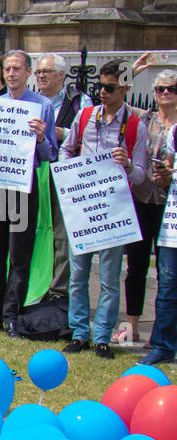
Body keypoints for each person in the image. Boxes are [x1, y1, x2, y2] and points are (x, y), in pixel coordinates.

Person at [0, 50, 58, 337]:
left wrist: (41, 137)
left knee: (19, 255)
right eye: (8, 69)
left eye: (17, 69)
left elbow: (51, 152)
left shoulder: (42, 106)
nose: (11, 74)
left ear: (28, 73)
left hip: (23, 187)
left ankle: (12, 315)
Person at [58, 60, 148, 359]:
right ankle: (79, 333)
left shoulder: (136, 126)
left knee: (110, 279)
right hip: (83, 208)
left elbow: (141, 176)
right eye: (100, 87)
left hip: (114, 212)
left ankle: (102, 338)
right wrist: (68, 172)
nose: (103, 93)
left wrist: (128, 164)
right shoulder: (85, 117)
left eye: (110, 88)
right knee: (78, 274)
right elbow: (66, 149)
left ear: (124, 89)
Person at [36, 53, 87, 299]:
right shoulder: (31, 100)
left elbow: (89, 135)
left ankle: (57, 289)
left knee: (60, 234)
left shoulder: (78, 101)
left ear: (61, 75)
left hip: (63, 175)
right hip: (34, 173)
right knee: (32, 230)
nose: (41, 76)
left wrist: (63, 133)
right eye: (38, 72)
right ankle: (36, 282)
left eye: (46, 71)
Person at [136, 70, 177, 363]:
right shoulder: (147, 118)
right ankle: (159, 342)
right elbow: (116, 99)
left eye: (172, 89)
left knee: (170, 276)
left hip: (168, 205)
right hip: (148, 201)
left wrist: (169, 175)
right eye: (161, 88)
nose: (165, 93)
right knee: (164, 275)